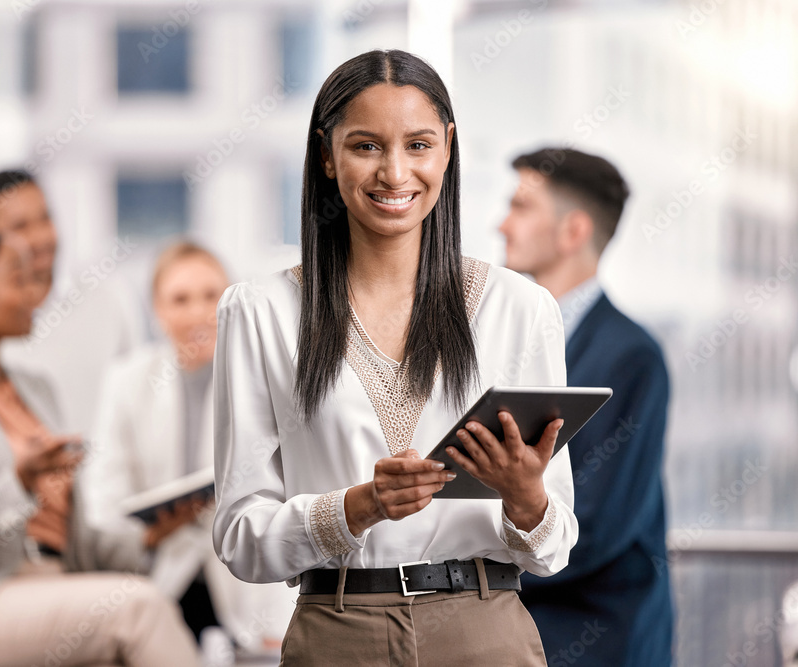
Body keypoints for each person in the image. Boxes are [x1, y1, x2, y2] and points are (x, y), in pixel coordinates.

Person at [211, 49, 579, 665]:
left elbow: (554, 546)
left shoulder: (521, 309)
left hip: (484, 630)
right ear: (326, 155)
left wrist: (526, 497)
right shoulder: (259, 312)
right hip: (337, 631)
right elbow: (240, 538)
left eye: (417, 145)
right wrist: (358, 507)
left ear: (448, 149)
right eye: (365, 146)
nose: (394, 172)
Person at [0, 226, 199, 667]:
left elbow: (77, 542)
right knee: (139, 610)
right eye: (16, 280)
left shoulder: (36, 391)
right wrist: (17, 481)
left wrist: (151, 535)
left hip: (54, 584)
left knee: (128, 619)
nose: (34, 293)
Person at [499, 147, 674, 666]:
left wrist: (470, 574)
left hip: (595, 637)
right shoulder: (505, 345)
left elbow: (600, 525)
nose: (503, 224)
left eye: (521, 206)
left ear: (573, 231)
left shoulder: (630, 356)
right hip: (520, 630)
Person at [83, 240, 296, 651]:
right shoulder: (126, 381)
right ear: (157, 310)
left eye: (210, 295)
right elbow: (104, 500)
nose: (198, 312)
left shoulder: (267, 376)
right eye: (180, 299)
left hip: (245, 575)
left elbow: (289, 494)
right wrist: (148, 532)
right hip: (161, 569)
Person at [0, 169, 140, 435]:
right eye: (20, 227)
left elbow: (137, 396)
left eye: (45, 218)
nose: (41, 237)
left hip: (108, 473)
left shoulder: (108, 297)